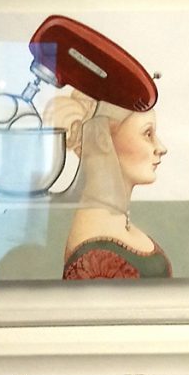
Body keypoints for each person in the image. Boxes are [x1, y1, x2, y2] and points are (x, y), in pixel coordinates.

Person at [44, 89, 171, 280]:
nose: (161, 148)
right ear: (103, 139)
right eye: (147, 134)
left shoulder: (113, 222)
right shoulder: (96, 256)